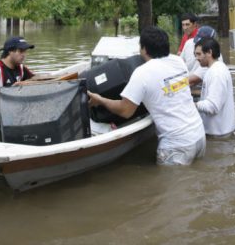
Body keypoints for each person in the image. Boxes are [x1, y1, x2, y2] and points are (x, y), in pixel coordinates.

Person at [88, 26, 206, 166]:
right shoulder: (178, 61)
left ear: (144, 49)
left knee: (172, 186)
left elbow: (126, 111)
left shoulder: (142, 72)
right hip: (199, 135)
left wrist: (100, 100)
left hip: (177, 145)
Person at [193, 37, 235, 136]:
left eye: (199, 54)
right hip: (220, 132)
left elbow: (212, 106)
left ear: (209, 52)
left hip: (219, 135)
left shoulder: (217, 73)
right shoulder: (215, 69)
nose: (197, 58)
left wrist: (192, 105)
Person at [0, 36, 35, 109]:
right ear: (10, 51)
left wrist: (29, 83)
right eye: (21, 51)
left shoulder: (21, 67)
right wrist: (7, 91)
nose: (24, 54)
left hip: (15, 105)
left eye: (25, 51)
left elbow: (36, 78)